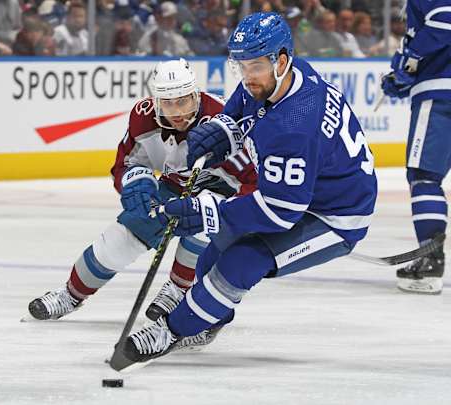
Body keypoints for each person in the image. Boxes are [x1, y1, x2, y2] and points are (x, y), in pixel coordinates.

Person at [118, 12, 377, 367]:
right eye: (240, 66)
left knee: (242, 261)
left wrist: (208, 212)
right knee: (216, 246)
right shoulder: (285, 75)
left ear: (280, 60)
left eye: (254, 66)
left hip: (334, 216)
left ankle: (172, 331)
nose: (246, 76)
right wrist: (225, 128)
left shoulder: (293, 127)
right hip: (308, 190)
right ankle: (211, 318)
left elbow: (281, 211)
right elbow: (245, 99)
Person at [27, 59, 256, 347]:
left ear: (196, 95)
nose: (179, 113)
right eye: (170, 104)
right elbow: (125, 163)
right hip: (174, 186)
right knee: (119, 240)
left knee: (205, 223)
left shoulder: (221, 120)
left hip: (223, 191)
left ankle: (178, 288)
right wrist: (136, 182)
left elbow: (254, 179)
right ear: (156, 101)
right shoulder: (143, 117)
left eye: (184, 101)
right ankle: (71, 294)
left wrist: (231, 211)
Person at [380, 0, 450, 294]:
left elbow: (446, 21)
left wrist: (406, 61)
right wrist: (404, 77)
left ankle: (430, 260)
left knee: (424, 177)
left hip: (441, 96)